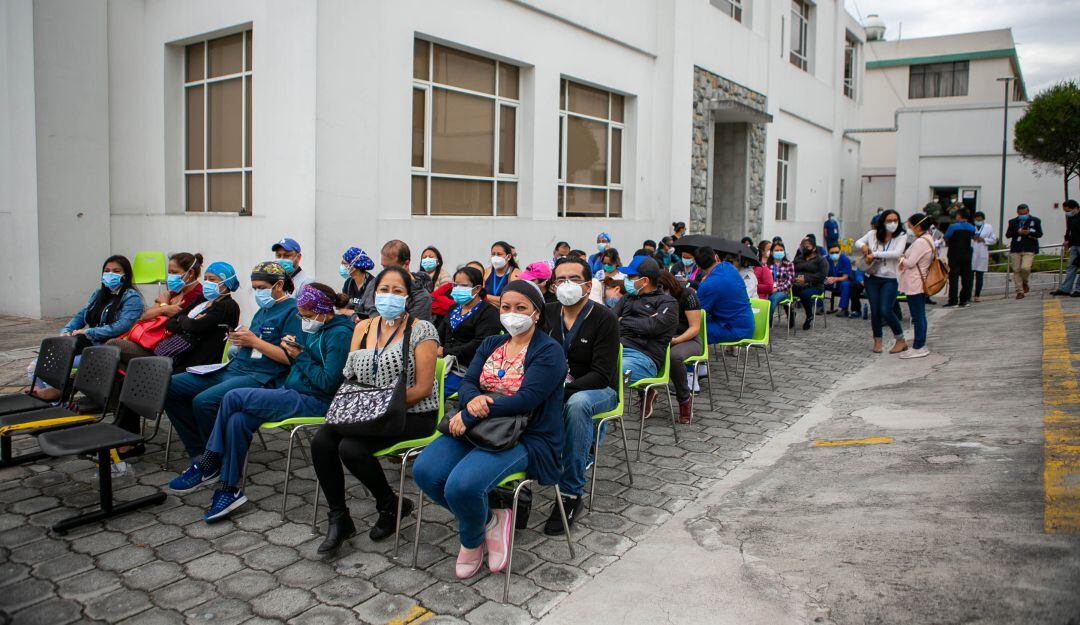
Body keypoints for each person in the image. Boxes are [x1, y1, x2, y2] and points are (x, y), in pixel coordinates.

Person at [413, 280, 566, 579]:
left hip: (525, 434)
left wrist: (470, 415)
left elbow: (527, 400)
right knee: (425, 472)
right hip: (482, 425)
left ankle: (470, 542)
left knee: (462, 486)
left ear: (536, 313)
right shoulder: (492, 344)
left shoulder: (550, 351)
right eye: (506, 307)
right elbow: (469, 382)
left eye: (521, 308)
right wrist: (472, 405)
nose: (512, 314)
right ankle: (488, 522)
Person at [180, 283, 354, 522]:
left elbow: (327, 382)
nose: (302, 320)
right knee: (238, 420)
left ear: (322, 312)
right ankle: (228, 488)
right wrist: (295, 348)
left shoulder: (340, 334)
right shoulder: (316, 326)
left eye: (305, 316)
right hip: (294, 391)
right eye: (300, 316)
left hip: (316, 401)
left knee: (233, 397)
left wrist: (299, 356)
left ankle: (210, 459)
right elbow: (307, 360)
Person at [312, 268, 440, 551]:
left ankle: (390, 505)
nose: (389, 296)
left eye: (397, 291)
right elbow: (350, 374)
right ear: (374, 293)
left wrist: (381, 406)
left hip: (411, 412)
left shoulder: (422, 330)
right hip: (366, 408)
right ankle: (339, 517)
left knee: (351, 448)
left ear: (408, 298)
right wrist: (363, 406)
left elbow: (423, 388)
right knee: (322, 440)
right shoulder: (363, 328)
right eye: (384, 290)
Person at [163, 261, 299, 481]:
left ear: (279, 285)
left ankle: (215, 460)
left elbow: (289, 358)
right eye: (254, 287)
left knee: (204, 401)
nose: (257, 292)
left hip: (262, 377)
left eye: (262, 287)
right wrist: (241, 339)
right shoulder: (263, 310)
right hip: (235, 368)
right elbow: (256, 341)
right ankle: (200, 452)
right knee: (169, 386)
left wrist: (254, 341)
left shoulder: (292, 312)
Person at [544, 258, 619, 532]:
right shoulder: (547, 312)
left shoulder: (604, 319)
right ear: (552, 286)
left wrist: (562, 390)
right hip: (557, 385)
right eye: (560, 279)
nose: (566, 285)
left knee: (576, 405)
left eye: (573, 279)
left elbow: (601, 373)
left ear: (588, 285)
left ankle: (571, 493)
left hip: (598, 390)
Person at [28, 256, 144, 403]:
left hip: (104, 348)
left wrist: (90, 332)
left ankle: (55, 401)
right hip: (86, 344)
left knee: (55, 366)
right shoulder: (98, 294)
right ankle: (47, 402)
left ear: (125, 274)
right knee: (34, 367)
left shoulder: (131, 298)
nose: (110, 275)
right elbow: (81, 315)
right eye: (107, 271)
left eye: (116, 271)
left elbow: (122, 326)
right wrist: (66, 330)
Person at [108, 252, 205, 366]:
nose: (170, 277)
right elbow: (145, 315)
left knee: (112, 345)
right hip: (149, 342)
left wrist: (163, 305)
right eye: (169, 273)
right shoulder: (175, 292)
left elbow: (176, 322)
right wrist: (164, 309)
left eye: (174, 272)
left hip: (163, 351)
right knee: (115, 360)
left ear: (191, 273)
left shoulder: (197, 295)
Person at [612, 257, 678, 417]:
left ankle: (601, 419)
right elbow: (610, 321)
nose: (625, 280)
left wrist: (624, 321)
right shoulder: (627, 298)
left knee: (607, 372)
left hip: (644, 358)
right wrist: (642, 321)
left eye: (630, 277)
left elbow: (652, 327)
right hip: (616, 350)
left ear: (645, 280)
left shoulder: (668, 303)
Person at [156, 262, 241, 372]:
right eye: (205, 279)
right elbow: (170, 323)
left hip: (201, 365)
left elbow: (194, 326)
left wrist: (183, 320)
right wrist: (188, 322)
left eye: (212, 279)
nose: (207, 283)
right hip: (181, 356)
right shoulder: (203, 299)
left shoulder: (228, 306)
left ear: (226, 283)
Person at [439, 266, 502, 396]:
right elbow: (440, 332)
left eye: (463, 285)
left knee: (435, 391)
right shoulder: (454, 308)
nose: (457, 289)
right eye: (455, 285)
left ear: (477, 288)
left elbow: (480, 343)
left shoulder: (488, 313)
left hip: (467, 369)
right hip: (444, 364)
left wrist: (446, 351)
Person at [856, 209, 909, 354]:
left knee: (886, 309)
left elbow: (896, 253)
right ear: (883, 222)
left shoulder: (901, 236)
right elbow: (858, 242)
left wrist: (875, 254)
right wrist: (863, 246)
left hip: (890, 279)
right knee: (875, 311)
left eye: (895, 220)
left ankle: (900, 339)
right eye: (889, 220)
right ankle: (877, 341)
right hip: (872, 277)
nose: (892, 223)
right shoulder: (873, 234)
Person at [657, 271, 701, 424]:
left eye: (661, 288)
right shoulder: (652, 297)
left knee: (673, 357)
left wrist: (676, 340)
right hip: (662, 338)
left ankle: (684, 399)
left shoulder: (687, 295)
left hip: (688, 339)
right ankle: (646, 392)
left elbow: (695, 328)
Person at [359, 240, 433, 320]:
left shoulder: (421, 297)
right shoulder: (375, 282)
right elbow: (360, 309)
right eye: (384, 267)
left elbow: (413, 329)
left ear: (406, 264)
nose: (386, 273)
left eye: (390, 268)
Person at [697, 246, 755, 346]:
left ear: (698, 266)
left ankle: (695, 358)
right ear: (716, 257)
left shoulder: (707, 285)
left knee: (692, 328)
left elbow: (698, 312)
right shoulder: (729, 267)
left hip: (735, 331)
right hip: (746, 324)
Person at [898, 214, 934, 359]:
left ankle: (919, 346)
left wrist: (900, 258)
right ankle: (920, 344)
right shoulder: (928, 239)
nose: (909, 229)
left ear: (918, 226)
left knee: (917, 316)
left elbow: (911, 262)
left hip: (915, 282)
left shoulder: (921, 242)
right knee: (920, 315)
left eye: (910, 225)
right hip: (919, 281)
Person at [1005, 203, 1043, 299]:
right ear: (1017, 212)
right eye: (1020, 213)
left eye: (1024, 213)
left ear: (1028, 212)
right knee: (1016, 270)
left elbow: (1040, 234)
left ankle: (1024, 282)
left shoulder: (1035, 220)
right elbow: (1008, 234)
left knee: (1025, 268)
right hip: (1016, 248)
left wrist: (1029, 232)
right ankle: (1019, 291)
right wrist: (1017, 232)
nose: (1022, 215)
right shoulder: (1013, 222)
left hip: (1029, 248)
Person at [789, 239, 828, 330]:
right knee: (785, 293)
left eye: (807, 247)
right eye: (804, 247)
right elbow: (791, 269)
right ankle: (790, 315)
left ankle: (809, 316)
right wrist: (794, 278)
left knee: (805, 294)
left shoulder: (820, 260)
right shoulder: (798, 258)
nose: (805, 249)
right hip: (797, 284)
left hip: (815, 285)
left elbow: (822, 275)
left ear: (813, 248)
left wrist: (806, 279)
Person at [943, 209, 976, 308]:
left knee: (953, 278)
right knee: (966, 278)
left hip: (954, 254)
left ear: (959, 216)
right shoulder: (971, 227)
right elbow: (974, 237)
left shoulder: (953, 226)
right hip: (967, 255)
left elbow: (946, 236)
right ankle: (964, 300)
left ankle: (953, 301)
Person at [1052, 200, 1080, 297]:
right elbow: (1069, 231)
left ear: (1075, 208)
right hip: (1074, 245)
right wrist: (1067, 240)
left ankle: (1078, 289)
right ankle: (1065, 289)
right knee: (1071, 267)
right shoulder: (1071, 218)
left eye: (1067, 210)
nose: (1066, 213)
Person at [339, 247, 376, 313]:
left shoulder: (373, 284)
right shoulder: (348, 283)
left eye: (344, 263)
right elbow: (342, 308)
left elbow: (373, 312)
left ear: (354, 266)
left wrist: (350, 313)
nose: (342, 266)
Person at [971, 211, 998, 302]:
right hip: (971, 253)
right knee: (969, 276)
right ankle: (967, 295)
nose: (978, 221)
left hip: (982, 253)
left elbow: (994, 240)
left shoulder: (988, 227)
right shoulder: (971, 227)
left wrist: (984, 239)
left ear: (983, 219)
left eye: (980, 219)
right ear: (974, 219)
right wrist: (972, 238)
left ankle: (977, 295)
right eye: (977, 219)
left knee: (979, 276)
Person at [484, 241, 521, 305]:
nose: (495, 257)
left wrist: (487, 297)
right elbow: (479, 296)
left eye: (499, 254)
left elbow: (511, 300)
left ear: (508, 257)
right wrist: (499, 300)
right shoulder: (486, 272)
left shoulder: (516, 274)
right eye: (493, 254)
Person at [766, 242, 795, 323]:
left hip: (783, 291)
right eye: (776, 250)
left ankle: (766, 322)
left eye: (781, 250)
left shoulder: (789, 264)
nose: (779, 252)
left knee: (773, 298)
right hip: (768, 290)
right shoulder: (767, 265)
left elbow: (790, 281)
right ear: (771, 252)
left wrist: (777, 289)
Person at [824, 243, 852, 314]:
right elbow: (821, 273)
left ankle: (844, 309)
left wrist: (834, 279)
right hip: (829, 282)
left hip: (840, 282)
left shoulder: (845, 260)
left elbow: (845, 277)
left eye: (837, 252)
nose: (834, 254)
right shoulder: (824, 259)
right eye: (832, 253)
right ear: (828, 252)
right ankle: (819, 306)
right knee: (820, 283)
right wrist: (826, 279)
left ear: (840, 251)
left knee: (845, 284)